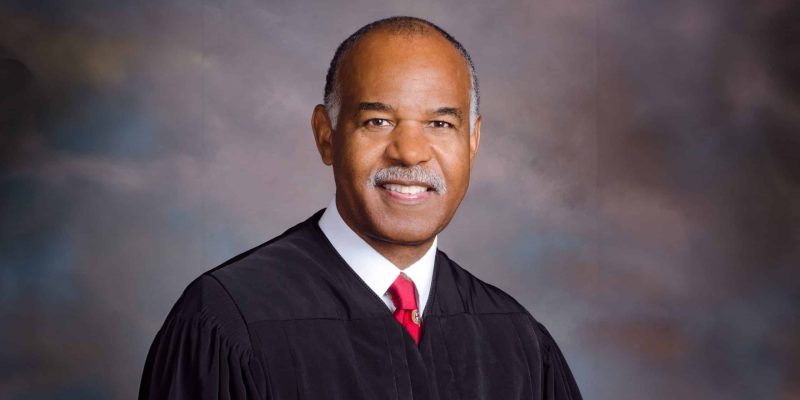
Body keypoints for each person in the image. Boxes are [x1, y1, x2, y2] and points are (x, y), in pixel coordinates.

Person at [139, 16, 582, 400]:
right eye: (378, 122)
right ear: (326, 135)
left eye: (440, 124)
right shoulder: (227, 321)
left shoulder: (517, 340)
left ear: (473, 141)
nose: (410, 153)